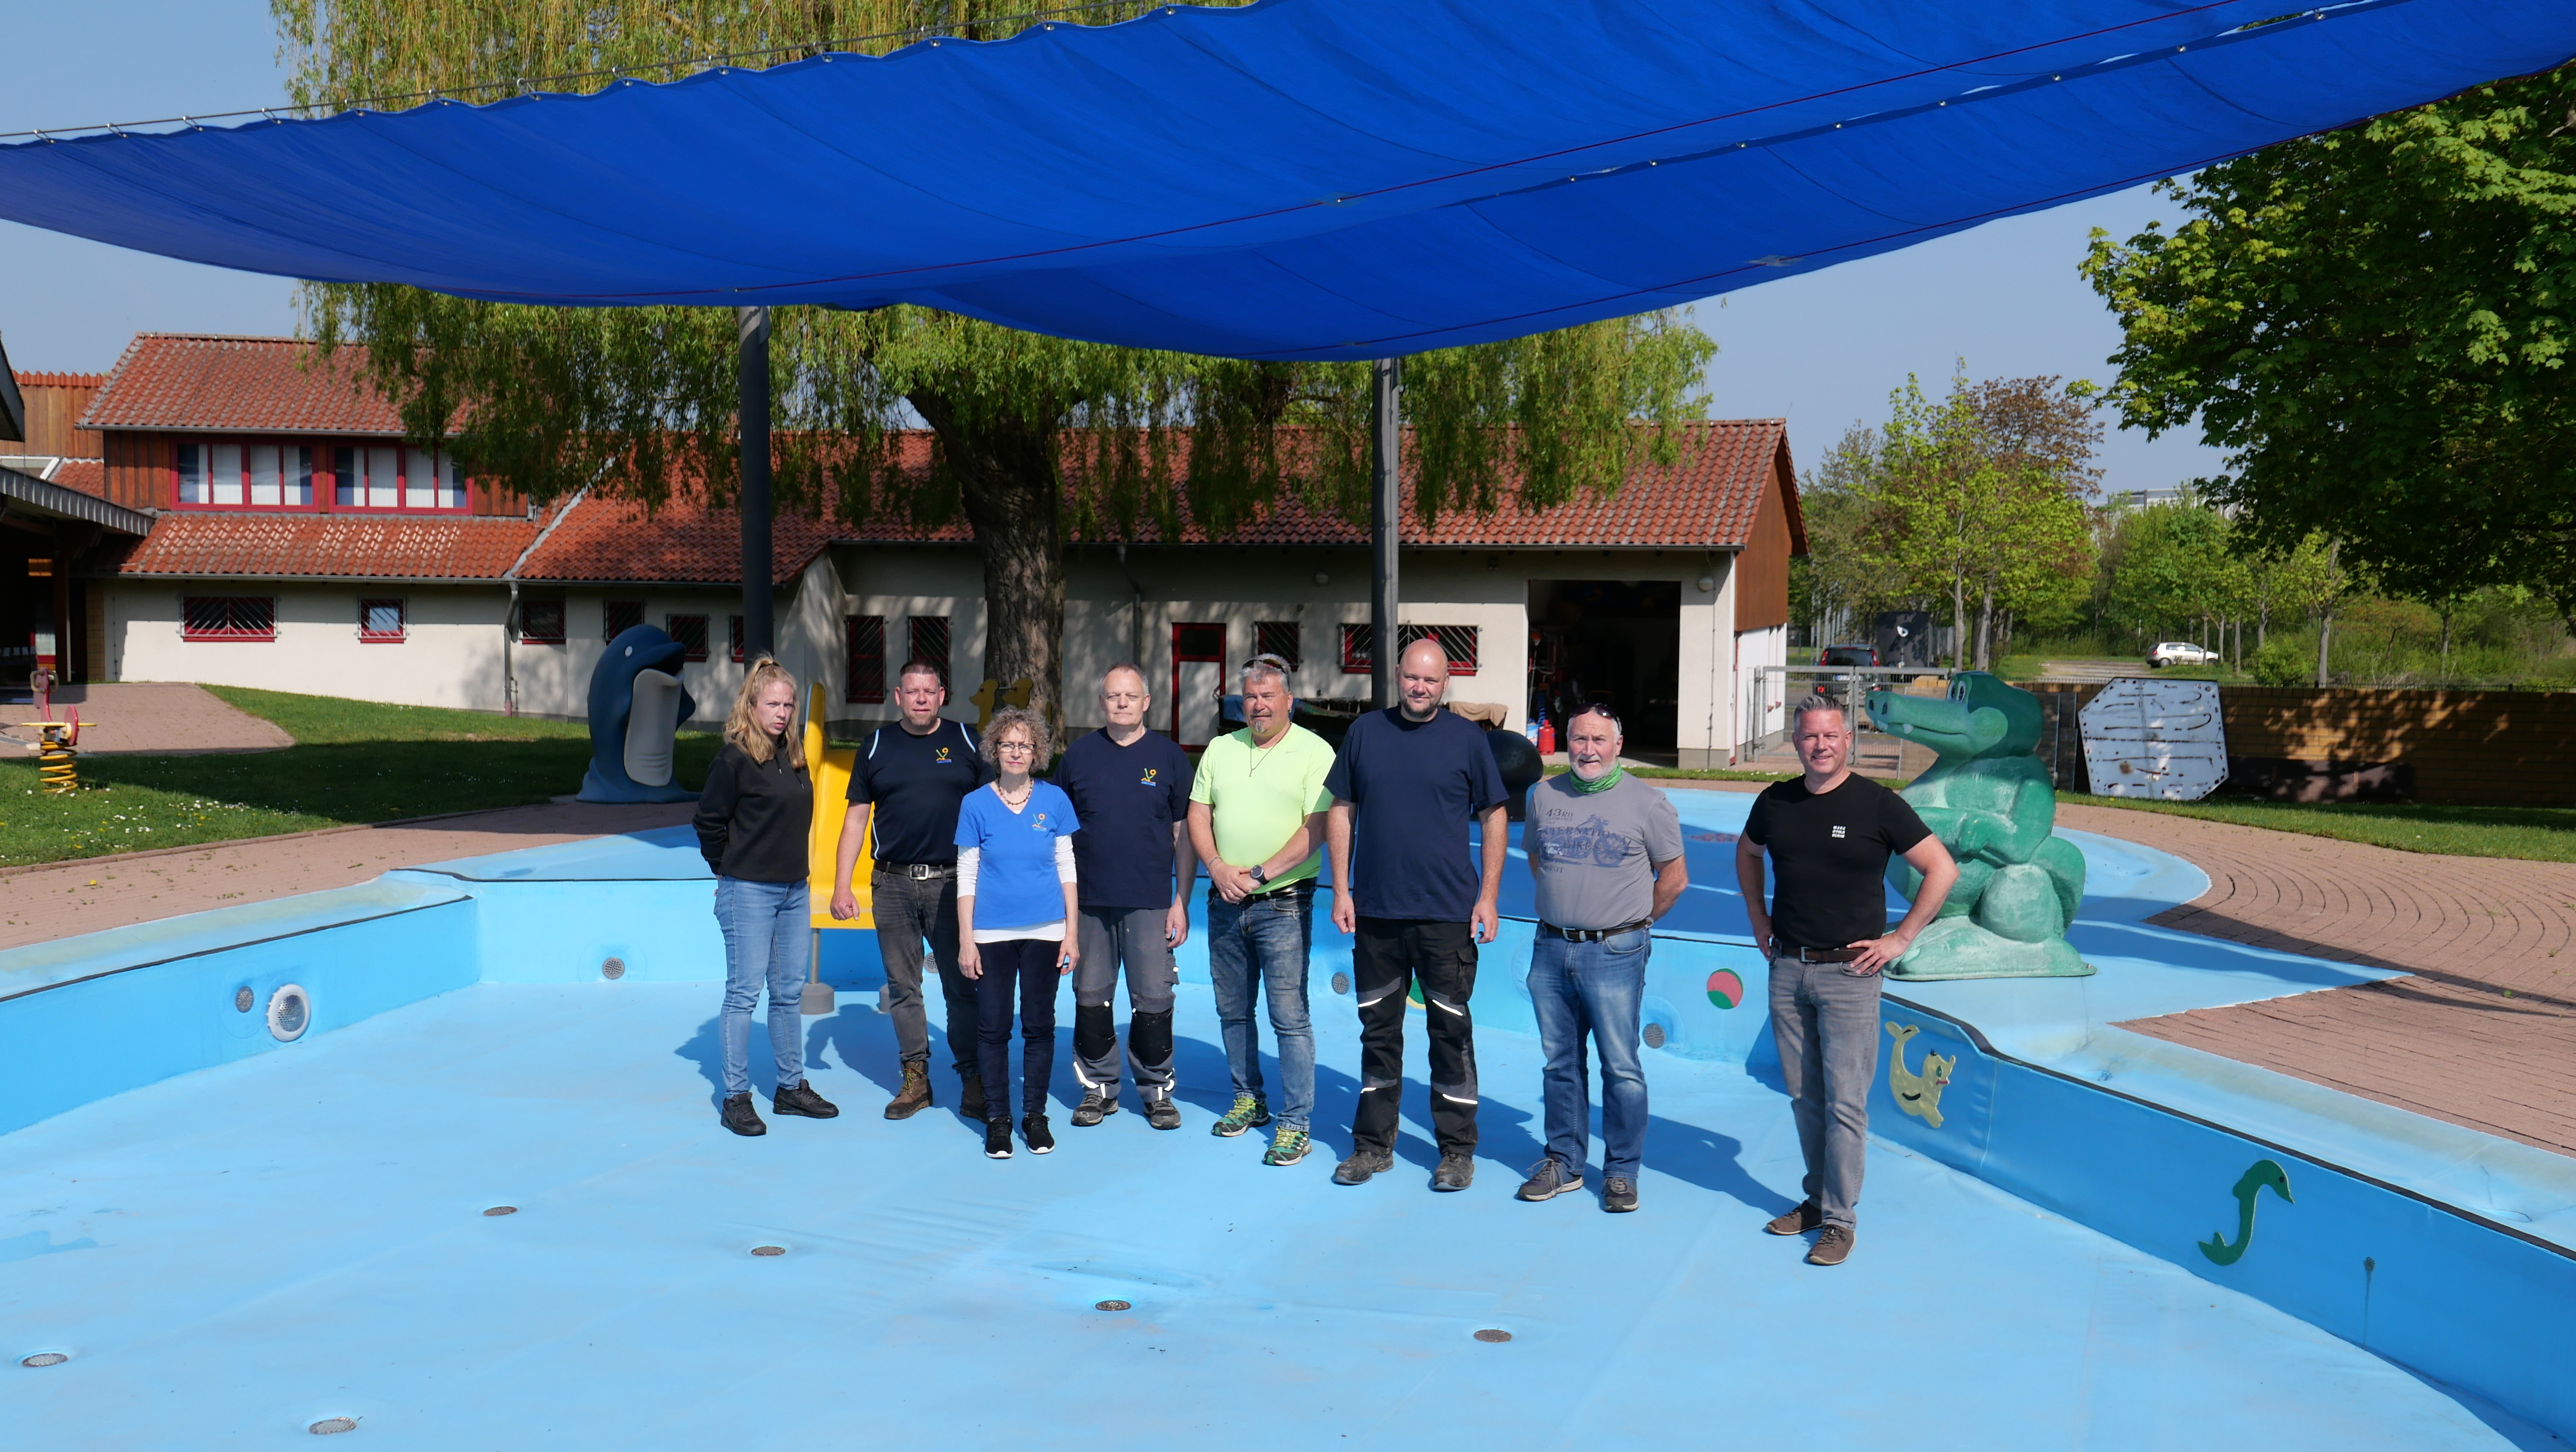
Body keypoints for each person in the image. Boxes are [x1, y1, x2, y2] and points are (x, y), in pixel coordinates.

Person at [1736, 694, 1959, 1266]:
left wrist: (1901, 939)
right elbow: (1747, 853)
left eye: (1830, 736)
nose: (1820, 746)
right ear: (1795, 742)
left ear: (1848, 740)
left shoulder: (1878, 805)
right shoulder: (1775, 801)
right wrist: (1759, 921)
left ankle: (1839, 1220)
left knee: (1845, 1104)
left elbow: (1942, 869)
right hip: (1788, 968)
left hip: (1850, 974)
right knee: (1804, 1096)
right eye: (1809, 737)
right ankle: (1815, 1201)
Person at [1326, 638, 1509, 1192]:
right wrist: (1340, 889)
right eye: (1411, 678)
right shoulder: (1364, 734)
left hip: (1446, 914)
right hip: (1378, 913)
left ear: (1445, 683)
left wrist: (1489, 896)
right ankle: (1373, 1146)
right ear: (1397, 676)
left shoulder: (1466, 739)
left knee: (1449, 1032)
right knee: (1378, 1033)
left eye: (1430, 681)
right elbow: (1341, 810)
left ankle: (1456, 1151)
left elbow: (1494, 816)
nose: (1419, 688)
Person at [1516, 704, 1687, 1213]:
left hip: (1616, 952)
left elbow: (1674, 878)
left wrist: (1632, 922)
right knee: (1559, 1064)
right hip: (1550, 947)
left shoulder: (1648, 803)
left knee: (1620, 1067)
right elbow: (1536, 861)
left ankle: (1620, 1171)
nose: (1587, 750)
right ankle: (1565, 1162)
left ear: (1617, 745)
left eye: (1598, 740)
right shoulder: (1544, 796)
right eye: (1578, 740)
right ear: (1566, 743)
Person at [1186, 654, 1336, 1167]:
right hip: (1224, 900)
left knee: (1289, 1018)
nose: (1258, 705)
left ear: (1288, 701)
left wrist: (1258, 874)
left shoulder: (1315, 752)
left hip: (1283, 904)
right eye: (1250, 696)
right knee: (1233, 1011)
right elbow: (1197, 814)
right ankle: (1248, 1100)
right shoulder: (1220, 748)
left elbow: (1315, 830)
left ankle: (1296, 1123)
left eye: (1267, 696)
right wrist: (1216, 867)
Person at [829, 660, 994, 1120]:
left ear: (943, 695)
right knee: (904, 988)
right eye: (912, 691)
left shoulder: (968, 741)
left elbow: (990, 816)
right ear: (897, 697)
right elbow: (856, 820)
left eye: (930, 691)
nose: (921, 699)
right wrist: (842, 885)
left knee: (964, 986)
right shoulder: (875, 745)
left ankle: (973, 1077)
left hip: (954, 884)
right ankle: (915, 1079)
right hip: (893, 884)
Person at [693, 658, 840, 1137]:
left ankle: (790, 1087)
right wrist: (730, 870)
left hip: (795, 890)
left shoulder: (793, 757)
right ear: (751, 705)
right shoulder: (735, 758)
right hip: (749, 891)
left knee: (788, 993)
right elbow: (708, 823)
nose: (781, 712)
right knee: (743, 995)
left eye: (787, 704)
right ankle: (736, 1096)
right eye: (772, 704)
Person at [1053, 664, 1196, 1130]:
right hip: (1091, 903)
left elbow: (1185, 836)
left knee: (1154, 999)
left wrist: (1181, 900)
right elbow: (1059, 837)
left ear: (1146, 702)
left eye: (1130, 696)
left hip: (1151, 901)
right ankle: (1098, 1091)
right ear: (1102, 702)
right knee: (1092, 997)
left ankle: (1156, 1091)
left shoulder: (1170, 758)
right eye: (1113, 696)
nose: (1121, 703)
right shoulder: (1077, 757)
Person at [954, 708, 1082, 1159]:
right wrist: (966, 939)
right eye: (1007, 744)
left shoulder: (1055, 800)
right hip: (990, 934)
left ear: (1037, 752)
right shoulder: (975, 804)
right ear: (994, 750)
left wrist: (1071, 933)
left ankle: (1034, 1116)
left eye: (1024, 744)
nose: (1015, 751)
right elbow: (966, 874)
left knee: (1039, 1026)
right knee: (991, 1029)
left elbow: (1067, 868)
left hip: (1047, 930)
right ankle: (998, 1120)